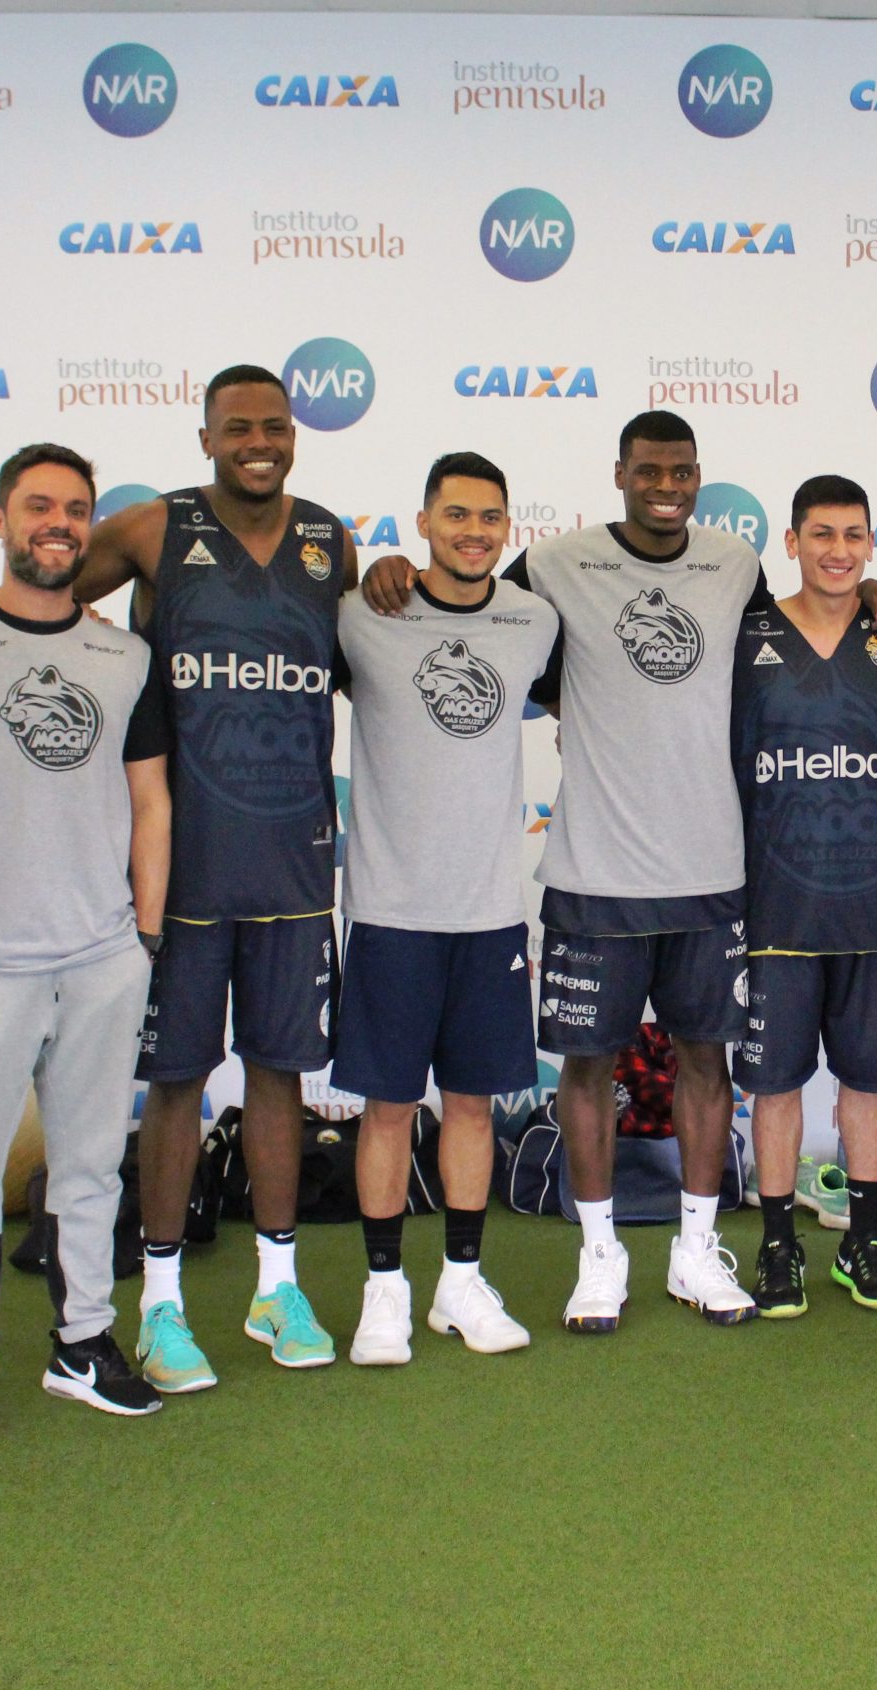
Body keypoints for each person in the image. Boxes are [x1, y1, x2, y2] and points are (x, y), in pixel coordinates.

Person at [362, 412, 877, 1332]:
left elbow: (801, 629)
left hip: (709, 872)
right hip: (594, 870)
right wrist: (393, 576)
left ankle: (696, 1252)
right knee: (588, 1067)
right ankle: (599, 1257)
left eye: (682, 471)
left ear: (699, 477)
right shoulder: (559, 562)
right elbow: (474, 610)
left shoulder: (736, 564)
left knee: (705, 1062)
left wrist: (874, 588)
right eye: (649, 469)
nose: (667, 484)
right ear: (619, 473)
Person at [70, 365, 355, 1385]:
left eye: (275, 425)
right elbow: (36, 598)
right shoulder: (153, 530)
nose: (259, 441)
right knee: (177, 1084)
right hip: (179, 875)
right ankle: (159, 1305)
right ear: (205, 438)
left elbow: (384, 662)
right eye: (238, 427)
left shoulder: (330, 541)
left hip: (291, 867)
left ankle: (278, 1292)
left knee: (281, 1078)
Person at [0, 444, 171, 1443]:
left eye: (75, 510)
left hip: (100, 956)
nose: (58, 523)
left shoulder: (122, 657)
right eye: (38, 506)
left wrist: (143, 934)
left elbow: (149, 798)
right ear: (0, 520)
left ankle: (82, 1344)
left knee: (92, 1169)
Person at [335, 453, 558, 1365]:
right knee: (390, 1110)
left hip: (490, 912)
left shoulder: (533, 618)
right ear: (422, 522)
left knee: (471, 1106)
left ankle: (459, 1283)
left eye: (491, 518)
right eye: (457, 515)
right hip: (391, 911)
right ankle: (384, 1291)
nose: (475, 532)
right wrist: (370, 569)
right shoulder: (362, 612)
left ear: (510, 530)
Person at [731, 475, 877, 1318]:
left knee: (869, 1081)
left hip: (874, 897)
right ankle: (778, 1247)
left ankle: (864, 1240)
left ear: (872, 543)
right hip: (773, 902)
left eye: (853, 534)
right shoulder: (748, 633)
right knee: (775, 1084)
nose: (838, 550)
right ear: (792, 540)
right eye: (821, 533)